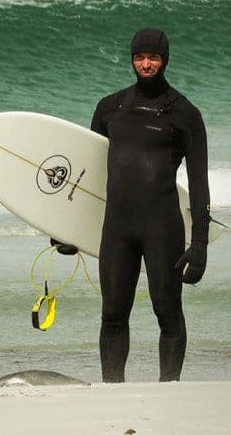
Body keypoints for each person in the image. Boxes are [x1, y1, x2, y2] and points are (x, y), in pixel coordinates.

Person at [88, 27, 210, 382]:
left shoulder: (184, 113)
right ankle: (112, 388)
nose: (146, 64)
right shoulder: (109, 108)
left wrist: (199, 243)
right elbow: (87, 173)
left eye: (153, 58)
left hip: (162, 226)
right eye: (139, 57)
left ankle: (169, 389)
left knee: (168, 314)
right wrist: (65, 229)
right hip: (118, 228)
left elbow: (199, 182)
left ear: (164, 60)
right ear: (131, 60)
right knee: (112, 314)